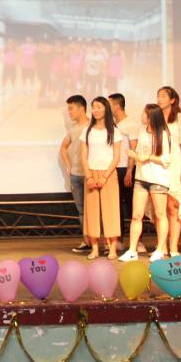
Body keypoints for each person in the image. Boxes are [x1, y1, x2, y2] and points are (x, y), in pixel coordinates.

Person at [120, 104, 173, 262]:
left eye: (144, 113)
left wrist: (148, 157)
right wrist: (134, 155)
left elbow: (166, 160)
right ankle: (132, 250)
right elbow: (140, 154)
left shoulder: (163, 134)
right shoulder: (142, 132)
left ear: (151, 117)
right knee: (136, 215)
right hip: (141, 178)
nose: (142, 116)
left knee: (160, 214)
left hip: (158, 179)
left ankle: (160, 249)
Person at [79, 97, 121, 260]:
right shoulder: (87, 131)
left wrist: (104, 177)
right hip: (91, 173)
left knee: (111, 210)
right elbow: (84, 157)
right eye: (93, 107)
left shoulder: (114, 131)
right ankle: (95, 248)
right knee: (92, 212)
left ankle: (112, 248)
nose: (95, 110)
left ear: (106, 109)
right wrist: (89, 176)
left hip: (108, 174)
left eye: (98, 107)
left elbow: (116, 158)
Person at [157, 86, 181, 258]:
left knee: (174, 205)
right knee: (160, 207)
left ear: (172, 100)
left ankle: (174, 246)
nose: (159, 99)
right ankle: (162, 244)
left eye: (163, 96)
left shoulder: (180, 118)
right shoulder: (155, 118)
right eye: (158, 96)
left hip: (176, 164)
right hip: (158, 164)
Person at [58, 95, 90, 254]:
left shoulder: (93, 126)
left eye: (71, 109)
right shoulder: (73, 129)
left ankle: (103, 242)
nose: (69, 112)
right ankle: (87, 241)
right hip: (76, 175)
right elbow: (63, 147)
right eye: (68, 109)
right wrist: (69, 167)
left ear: (81, 108)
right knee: (82, 210)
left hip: (91, 175)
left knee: (96, 209)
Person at [109, 93, 141, 250]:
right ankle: (119, 239)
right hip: (114, 169)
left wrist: (129, 171)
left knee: (132, 205)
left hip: (127, 169)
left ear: (117, 106)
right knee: (116, 206)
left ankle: (138, 241)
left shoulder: (131, 124)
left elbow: (133, 148)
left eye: (109, 105)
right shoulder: (112, 125)